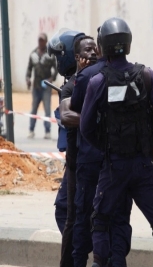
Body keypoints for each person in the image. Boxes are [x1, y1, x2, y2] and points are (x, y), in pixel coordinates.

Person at [80, 17, 153, 267]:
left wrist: (107, 145)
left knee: (100, 219)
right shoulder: (148, 75)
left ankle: (99, 263)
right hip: (143, 166)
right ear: (127, 43)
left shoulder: (98, 81)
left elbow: (86, 127)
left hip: (114, 166)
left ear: (103, 46)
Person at [70, 26, 133, 267]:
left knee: (85, 218)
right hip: (121, 161)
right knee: (118, 218)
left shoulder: (87, 77)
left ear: (99, 46)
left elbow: (76, 112)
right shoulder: (137, 74)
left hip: (90, 159)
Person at [48, 29, 93, 267]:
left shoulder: (78, 83)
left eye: (58, 55)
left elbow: (68, 119)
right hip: (80, 158)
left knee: (70, 214)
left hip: (81, 160)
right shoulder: (77, 81)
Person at [26, 32, 58, 139]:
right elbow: (29, 69)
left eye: (42, 40)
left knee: (47, 109)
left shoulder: (50, 55)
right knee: (34, 108)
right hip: (36, 87)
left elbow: (56, 68)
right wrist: (28, 79)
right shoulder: (33, 54)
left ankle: (47, 131)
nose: (40, 42)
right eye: (39, 40)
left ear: (46, 41)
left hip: (46, 86)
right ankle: (31, 130)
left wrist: (51, 79)